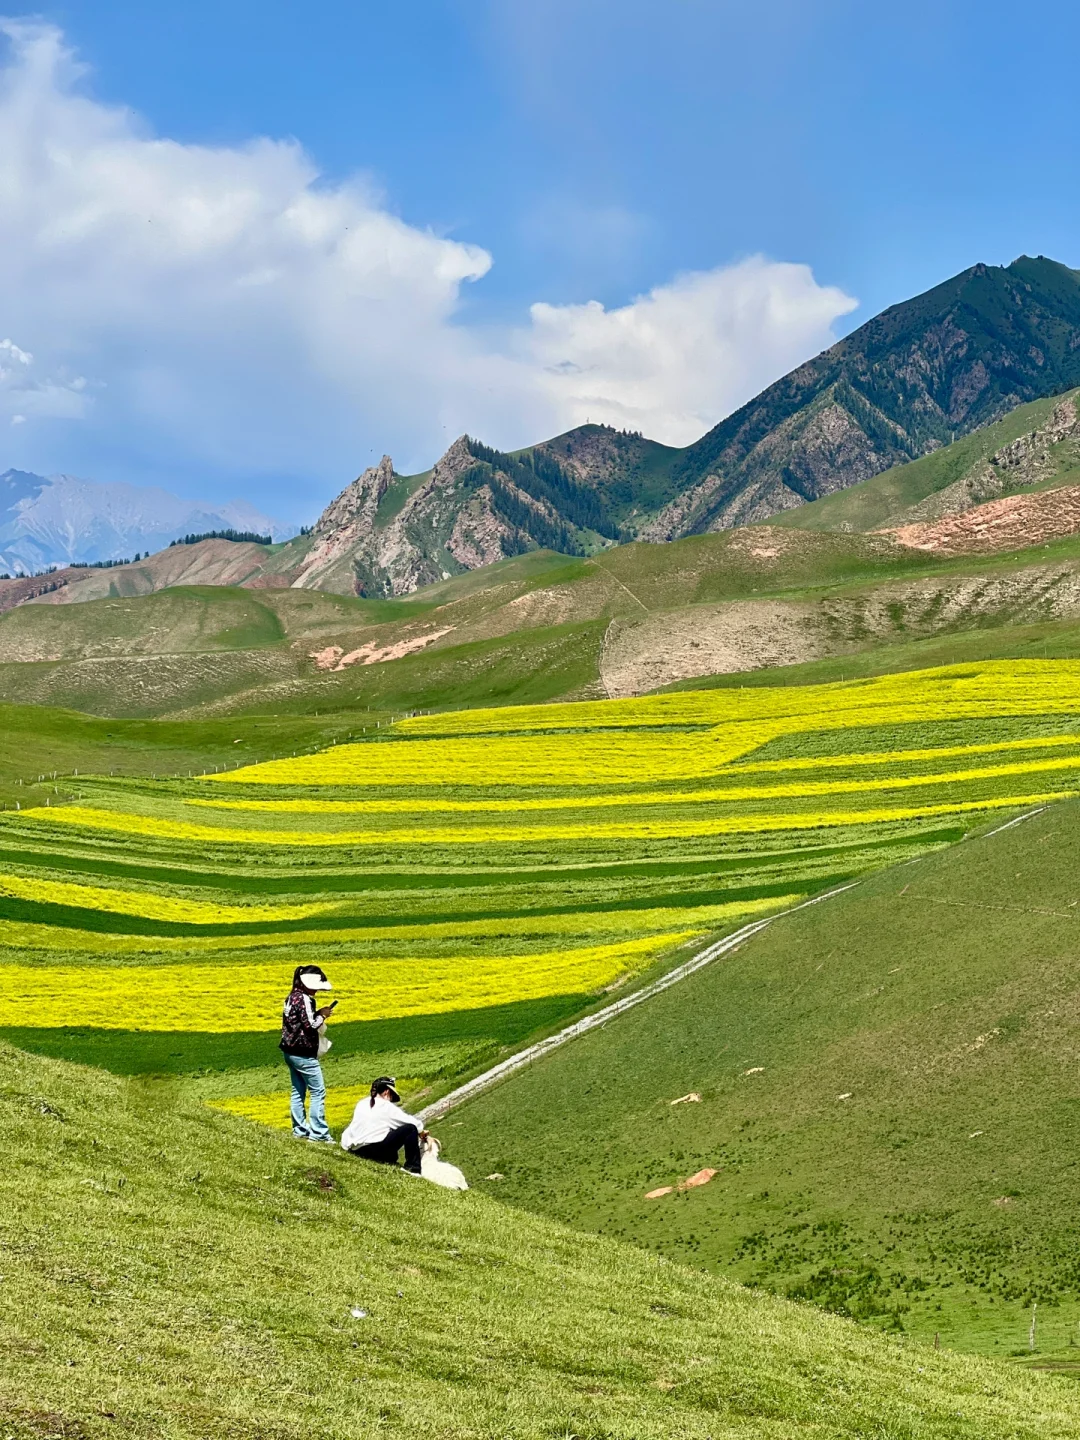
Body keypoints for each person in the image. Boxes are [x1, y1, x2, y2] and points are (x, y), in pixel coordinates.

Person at [280, 964, 337, 1144]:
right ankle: (319, 1133)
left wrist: (318, 1013)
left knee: (298, 1091)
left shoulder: (291, 997)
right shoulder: (304, 999)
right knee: (318, 1091)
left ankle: (299, 1129)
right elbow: (310, 1025)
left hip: (289, 1051)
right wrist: (323, 1015)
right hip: (303, 1053)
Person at [340, 1076, 426, 1175]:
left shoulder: (361, 1104)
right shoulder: (386, 1106)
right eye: (392, 1096)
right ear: (387, 1092)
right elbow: (411, 1122)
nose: (391, 1099)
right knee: (410, 1129)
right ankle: (413, 1168)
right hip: (375, 1151)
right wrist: (421, 1131)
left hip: (358, 1151)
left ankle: (391, 1160)